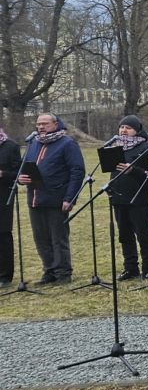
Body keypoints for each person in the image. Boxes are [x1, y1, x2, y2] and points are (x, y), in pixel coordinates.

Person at [17, 113, 85, 284]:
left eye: (45, 124)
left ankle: (63, 273)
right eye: (38, 124)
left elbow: (77, 172)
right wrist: (21, 178)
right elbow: (23, 167)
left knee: (58, 238)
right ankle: (49, 271)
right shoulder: (33, 143)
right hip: (35, 198)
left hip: (57, 198)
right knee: (41, 238)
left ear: (56, 124)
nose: (41, 127)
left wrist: (70, 198)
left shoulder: (67, 144)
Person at [104, 115, 148, 280]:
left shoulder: (145, 148)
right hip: (119, 197)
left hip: (138, 198)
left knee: (142, 233)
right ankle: (130, 267)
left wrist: (133, 170)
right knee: (124, 234)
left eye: (128, 128)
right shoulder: (115, 147)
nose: (123, 130)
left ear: (136, 130)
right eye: (121, 127)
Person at [0, 125, 21, 287]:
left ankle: (5, 275)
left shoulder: (11, 146)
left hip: (4, 194)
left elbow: (19, 173)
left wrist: (3, 174)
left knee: (3, 233)